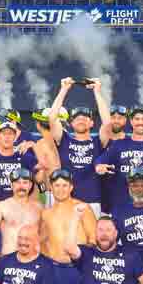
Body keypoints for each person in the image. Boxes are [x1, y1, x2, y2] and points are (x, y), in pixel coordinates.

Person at [47, 77, 111, 216]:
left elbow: (107, 124)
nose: (81, 119)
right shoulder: (64, 139)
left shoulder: (97, 142)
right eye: (76, 118)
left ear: (92, 123)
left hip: (92, 201)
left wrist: (97, 91)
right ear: (71, 123)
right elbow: (51, 119)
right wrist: (64, 89)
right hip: (66, 200)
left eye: (85, 118)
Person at [94, 105, 143, 214]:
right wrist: (99, 166)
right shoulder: (119, 144)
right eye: (137, 119)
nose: (140, 122)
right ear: (131, 122)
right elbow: (100, 161)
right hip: (119, 205)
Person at [0, 169, 41, 256]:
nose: (21, 186)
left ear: (30, 185)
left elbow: (45, 235)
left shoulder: (39, 208)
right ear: (11, 185)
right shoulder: (2, 206)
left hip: (33, 259)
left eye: (25, 183)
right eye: (17, 183)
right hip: (9, 258)